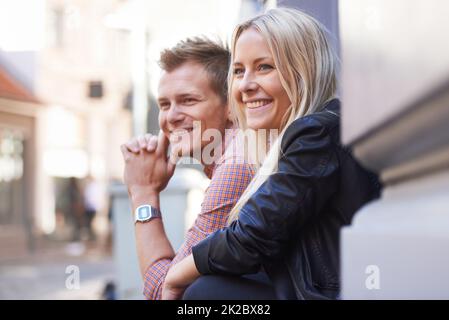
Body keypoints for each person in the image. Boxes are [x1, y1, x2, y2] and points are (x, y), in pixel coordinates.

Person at [161, 8, 381, 300]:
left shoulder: (316, 133)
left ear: (304, 70)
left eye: (264, 67)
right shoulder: (302, 136)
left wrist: (174, 276)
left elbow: (251, 237)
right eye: (239, 71)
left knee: (204, 294)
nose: (246, 85)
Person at [120, 37, 264, 300]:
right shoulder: (234, 154)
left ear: (232, 107)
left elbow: (161, 290)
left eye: (188, 100)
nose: (171, 117)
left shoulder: (238, 162)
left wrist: (142, 192)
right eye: (164, 104)